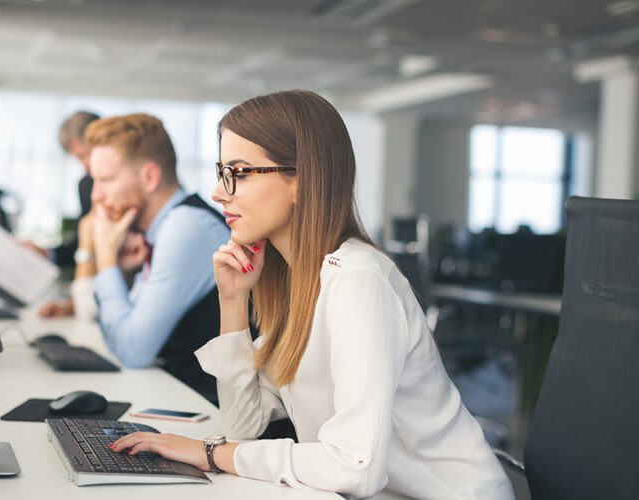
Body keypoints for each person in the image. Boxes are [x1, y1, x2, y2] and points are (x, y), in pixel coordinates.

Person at [109, 90, 514, 500]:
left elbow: (354, 466)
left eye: (239, 172)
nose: (219, 192)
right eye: (222, 171)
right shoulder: (299, 279)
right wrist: (232, 303)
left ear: (302, 181)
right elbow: (243, 425)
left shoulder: (358, 279)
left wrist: (211, 454)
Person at [82, 113, 229, 404]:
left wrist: (106, 258)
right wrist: (121, 275)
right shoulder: (160, 231)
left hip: (217, 416)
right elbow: (119, 334)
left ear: (149, 177)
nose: (96, 195)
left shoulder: (185, 227)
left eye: (106, 180)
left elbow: (133, 349)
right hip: (189, 399)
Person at [38, 111, 100, 318]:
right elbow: (86, 243)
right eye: (78, 158)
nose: (85, 165)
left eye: (86, 154)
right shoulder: (86, 185)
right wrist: (47, 253)